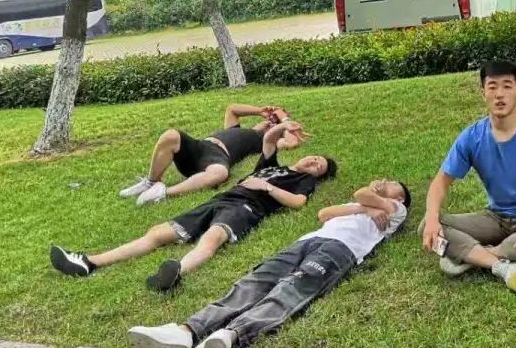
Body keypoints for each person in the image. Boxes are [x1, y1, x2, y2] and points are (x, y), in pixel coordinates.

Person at [126, 178, 410, 348]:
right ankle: (187, 330)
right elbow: (324, 214)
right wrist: (363, 209)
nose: (384, 182)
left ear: (400, 197)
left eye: (391, 184)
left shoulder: (397, 209)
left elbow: (362, 192)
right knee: (256, 281)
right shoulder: (360, 205)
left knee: (292, 289)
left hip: (341, 251)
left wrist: (371, 200)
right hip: (307, 241)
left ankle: (231, 334)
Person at [50, 121, 338, 291]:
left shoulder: (301, 181)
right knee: (157, 233)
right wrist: (283, 126)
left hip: (246, 208)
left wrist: (266, 187)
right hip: (221, 199)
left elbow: (299, 202)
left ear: (317, 176)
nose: (313, 162)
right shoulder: (272, 165)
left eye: (318, 167)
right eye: (314, 158)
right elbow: (269, 139)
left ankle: (177, 271)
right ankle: (89, 262)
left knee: (213, 237)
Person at [420, 60, 516, 292]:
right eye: (492, 87)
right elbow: (440, 183)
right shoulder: (472, 137)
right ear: (483, 94)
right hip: (496, 218)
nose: (499, 94)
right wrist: (431, 218)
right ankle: (501, 264)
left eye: (507, 86)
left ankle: (475, 255)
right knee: (427, 226)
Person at [118, 104, 305, 205]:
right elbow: (232, 109)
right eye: (270, 121)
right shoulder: (235, 129)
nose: (270, 123)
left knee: (221, 173)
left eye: (274, 125)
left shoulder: (264, 141)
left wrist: (284, 121)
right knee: (171, 135)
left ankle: (163, 193)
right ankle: (151, 182)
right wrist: (260, 111)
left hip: (216, 159)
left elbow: (291, 142)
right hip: (200, 148)